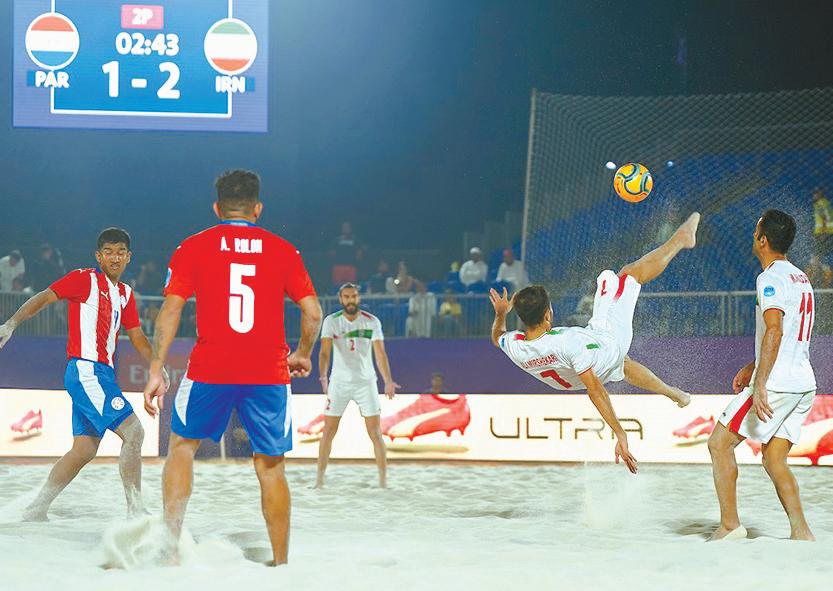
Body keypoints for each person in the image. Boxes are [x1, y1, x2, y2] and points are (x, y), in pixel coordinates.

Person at [142, 170, 322, 566]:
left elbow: (170, 311)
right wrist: (303, 352)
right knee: (271, 467)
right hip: (268, 373)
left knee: (182, 447)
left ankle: (170, 548)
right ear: (258, 208)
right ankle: (281, 561)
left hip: (212, 368)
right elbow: (313, 313)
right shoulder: (283, 250)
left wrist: (156, 367)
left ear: (216, 208)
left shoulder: (193, 246)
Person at [490, 213, 700, 474]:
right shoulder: (568, 343)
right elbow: (596, 391)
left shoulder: (516, 345)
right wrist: (620, 433)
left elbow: (497, 337)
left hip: (577, 370)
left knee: (623, 365)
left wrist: (501, 314)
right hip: (608, 342)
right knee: (625, 275)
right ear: (547, 316)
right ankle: (681, 239)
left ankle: (674, 394)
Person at [0, 228, 162, 520]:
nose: (115, 257)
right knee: (134, 432)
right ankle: (136, 512)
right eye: (108, 252)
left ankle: (35, 509)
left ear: (129, 257)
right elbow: (43, 298)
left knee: (84, 450)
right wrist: (10, 324)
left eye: (120, 252)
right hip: (87, 371)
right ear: (98, 256)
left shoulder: (125, 294)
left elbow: (137, 336)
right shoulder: (84, 279)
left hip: (101, 374)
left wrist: (156, 364)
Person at [707, 210, 816, 542]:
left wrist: (761, 382)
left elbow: (775, 330)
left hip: (778, 384)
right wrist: (753, 366)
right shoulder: (800, 277)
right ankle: (802, 532)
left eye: (756, 231)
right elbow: (787, 333)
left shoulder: (769, 278)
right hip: (803, 384)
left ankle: (730, 526)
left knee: (719, 444)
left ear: (763, 240)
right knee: (774, 459)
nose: (753, 236)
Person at [315, 283, 400, 488]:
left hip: (366, 382)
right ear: (340, 299)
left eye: (353, 296)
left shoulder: (371, 321)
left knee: (375, 433)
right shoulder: (331, 321)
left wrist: (388, 380)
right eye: (346, 297)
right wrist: (323, 376)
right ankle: (319, 480)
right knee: (328, 432)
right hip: (339, 383)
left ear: (358, 298)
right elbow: (324, 352)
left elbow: (380, 354)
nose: (350, 300)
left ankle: (383, 481)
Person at [331, 221, 362, 286]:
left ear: (350, 228)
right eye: (344, 227)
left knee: (351, 286)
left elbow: (359, 252)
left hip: (351, 266)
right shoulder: (337, 240)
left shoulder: (355, 240)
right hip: (339, 266)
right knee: (338, 285)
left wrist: (355, 262)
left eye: (347, 227)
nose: (345, 229)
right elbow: (332, 252)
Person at [812, 189, 833, 263]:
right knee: (820, 253)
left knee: (816, 253)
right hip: (829, 231)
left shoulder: (818, 204)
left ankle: (814, 267)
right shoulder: (826, 203)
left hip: (823, 232)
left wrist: (822, 232)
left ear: (819, 195)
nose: (813, 196)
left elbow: (824, 217)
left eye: (815, 195)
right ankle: (823, 268)